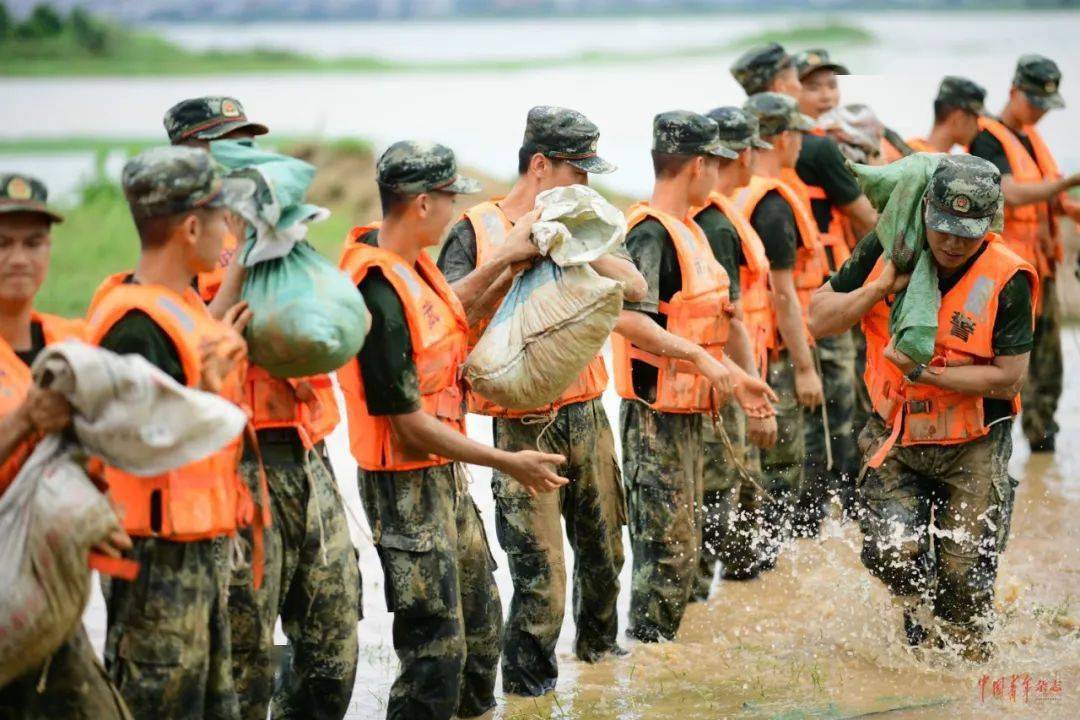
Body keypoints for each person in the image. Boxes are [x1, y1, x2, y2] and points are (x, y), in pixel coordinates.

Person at [336, 140, 570, 720]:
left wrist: (507, 263)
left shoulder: (413, 266)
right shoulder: (378, 288)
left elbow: (450, 312)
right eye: (447, 198)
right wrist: (509, 463)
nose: (453, 210)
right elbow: (408, 427)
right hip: (406, 487)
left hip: (445, 477)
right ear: (420, 204)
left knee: (482, 626)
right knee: (434, 652)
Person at [437, 106, 645, 696]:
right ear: (540, 165)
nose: (587, 185)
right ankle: (532, 697)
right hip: (522, 428)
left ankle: (606, 687)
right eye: (578, 173)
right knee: (541, 583)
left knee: (606, 560)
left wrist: (578, 243)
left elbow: (636, 287)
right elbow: (444, 314)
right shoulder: (476, 229)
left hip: (587, 415)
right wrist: (513, 257)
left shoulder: (588, 219)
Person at [165, 96, 361, 720]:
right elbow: (179, 351)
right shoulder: (173, 245)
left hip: (307, 457)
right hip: (240, 470)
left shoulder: (281, 227)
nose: (240, 156)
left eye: (246, 142)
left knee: (334, 646)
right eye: (226, 143)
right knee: (245, 659)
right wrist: (237, 276)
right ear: (189, 157)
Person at [809, 155, 1035, 662]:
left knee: (966, 580)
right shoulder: (886, 249)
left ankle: (960, 681)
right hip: (896, 436)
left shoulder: (1008, 277)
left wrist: (925, 374)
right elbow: (819, 319)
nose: (952, 243)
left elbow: (1008, 378)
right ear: (925, 209)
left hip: (973, 443)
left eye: (967, 233)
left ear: (990, 223)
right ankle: (918, 637)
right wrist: (876, 289)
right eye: (943, 229)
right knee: (891, 553)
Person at [85, 146, 256, 720]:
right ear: (190, 227)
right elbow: (138, 442)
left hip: (194, 550)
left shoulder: (181, 306)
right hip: (153, 560)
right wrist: (210, 388)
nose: (227, 230)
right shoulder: (136, 325)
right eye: (220, 217)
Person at [614, 110, 776, 642]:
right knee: (664, 553)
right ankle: (647, 664)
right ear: (699, 165)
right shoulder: (650, 235)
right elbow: (630, 319)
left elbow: (710, 323)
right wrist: (705, 361)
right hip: (656, 418)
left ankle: (671, 667)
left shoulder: (693, 231)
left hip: (690, 415)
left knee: (686, 547)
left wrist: (737, 375)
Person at [0, 174, 132, 720]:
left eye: (34, 242)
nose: (18, 258)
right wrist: (25, 419)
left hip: (51, 589)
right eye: (3, 244)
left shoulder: (72, 340)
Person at [733, 44, 871, 534]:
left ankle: (793, 530)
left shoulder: (735, 180)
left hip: (760, 334)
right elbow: (783, 291)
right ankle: (810, 523)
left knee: (783, 440)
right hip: (798, 320)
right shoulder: (787, 180)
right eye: (803, 79)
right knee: (820, 422)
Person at [968, 55, 1080, 453]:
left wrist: (1069, 205)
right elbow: (1010, 193)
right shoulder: (986, 138)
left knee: (1049, 366)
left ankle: (1042, 450)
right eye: (1034, 102)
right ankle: (995, 448)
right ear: (1014, 91)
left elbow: (1050, 198)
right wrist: (1068, 182)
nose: (1040, 113)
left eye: (1046, 106)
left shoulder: (1032, 138)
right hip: (1006, 274)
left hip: (1041, 266)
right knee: (1007, 361)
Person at [733, 93, 825, 568]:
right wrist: (807, 368)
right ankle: (763, 562)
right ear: (784, 138)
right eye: (799, 134)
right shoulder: (771, 205)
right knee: (780, 461)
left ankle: (753, 562)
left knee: (756, 463)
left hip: (744, 348)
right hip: (769, 351)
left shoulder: (734, 195)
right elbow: (784, 294)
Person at [691, 107, 779, 593]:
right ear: (744, 153)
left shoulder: (714, 216)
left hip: (729, 376)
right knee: (720, 492)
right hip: (726, 382)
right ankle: (702, 596)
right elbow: (732, 320)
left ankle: (737, 588)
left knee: (736, 489)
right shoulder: (717, 225)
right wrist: (755, 397)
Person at [907, 77, 987, 154]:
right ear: (959, 119)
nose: (979, 128)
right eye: (976, 119)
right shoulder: (933, 163)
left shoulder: (905, 154)